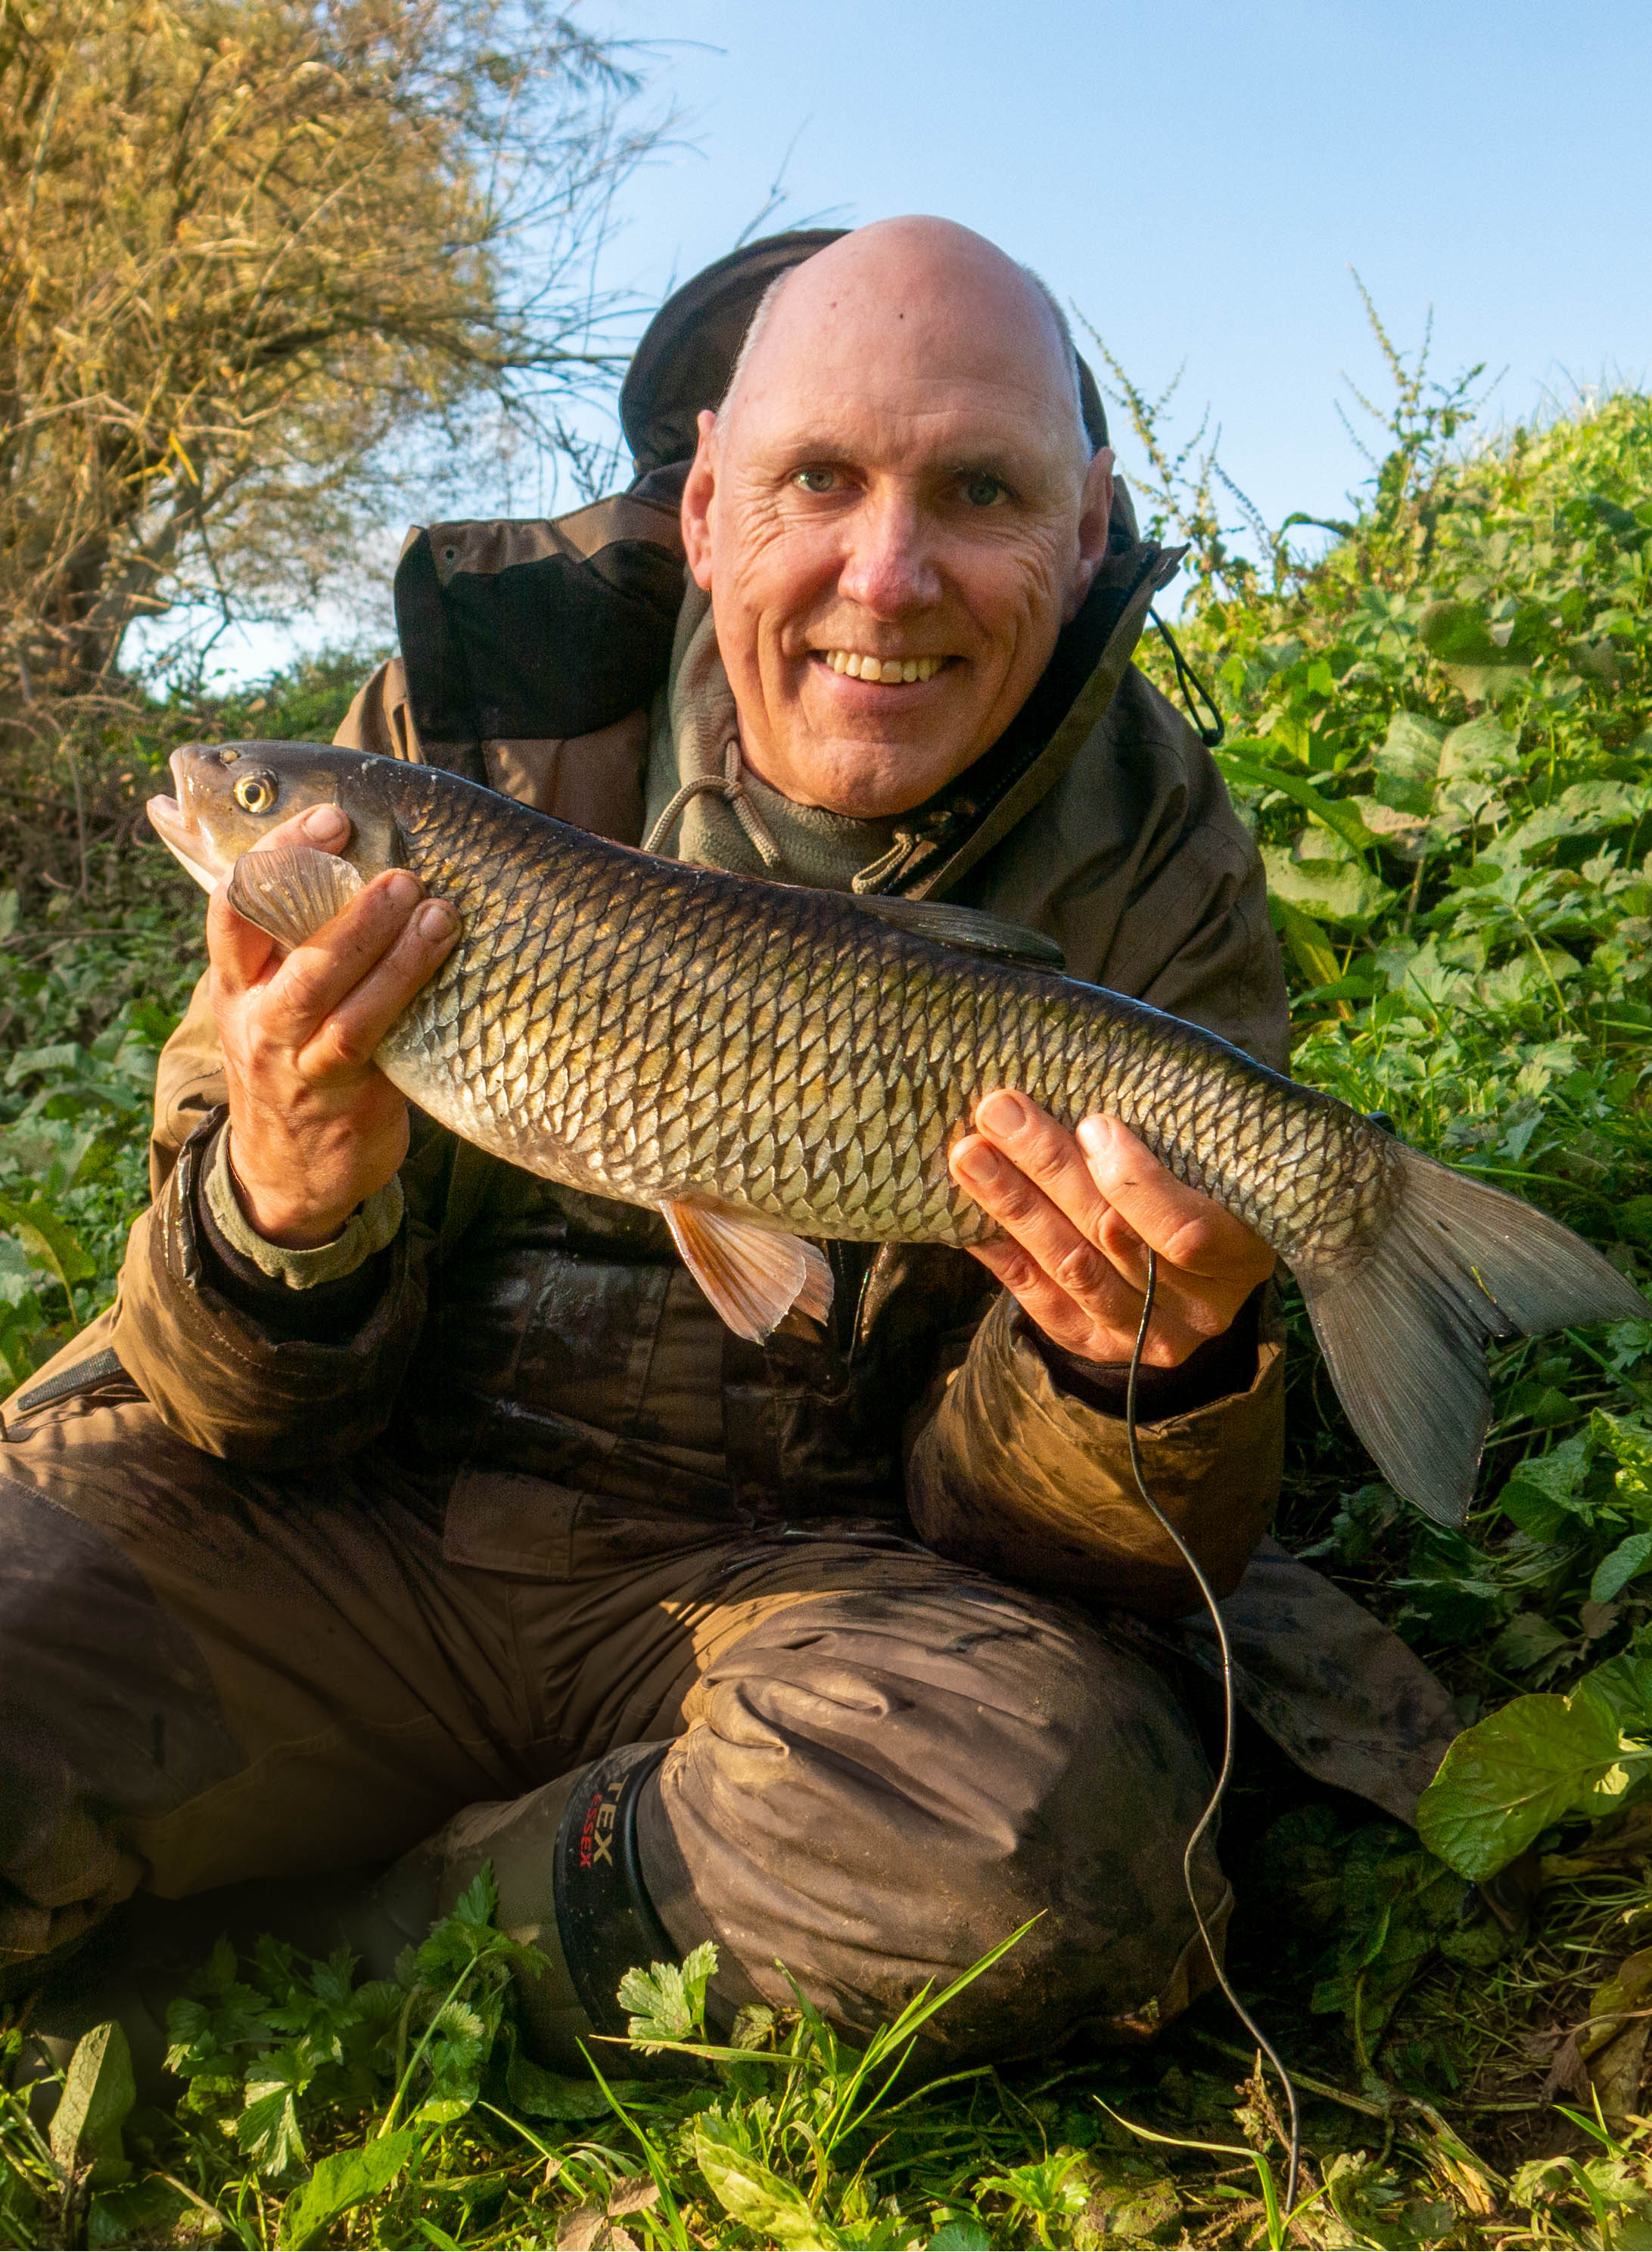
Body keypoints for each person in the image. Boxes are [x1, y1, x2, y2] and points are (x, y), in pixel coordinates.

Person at [0, 219, 1458, 2072]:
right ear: (704, 509)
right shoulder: (446, 746)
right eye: (819, 481)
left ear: (1085, 531)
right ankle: (500, 1868)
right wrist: (282, 1200)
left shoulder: (1149, 858)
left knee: (1043, 1843)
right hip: (356, 1529)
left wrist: (1131, 1378)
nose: (889, 571)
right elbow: (224, 1406)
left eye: (980, 492)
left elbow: (1057, 1553)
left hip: (816, 1591)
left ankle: (350, 1941)